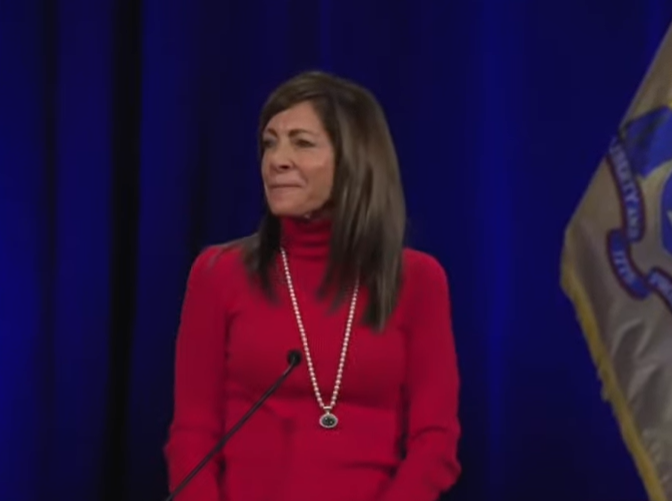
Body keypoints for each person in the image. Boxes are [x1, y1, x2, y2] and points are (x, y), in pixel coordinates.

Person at [164, 70, 461, 501]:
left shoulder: (419, 280)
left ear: (354, 160)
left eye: (301, 143)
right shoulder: (217, 273)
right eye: (270, 143)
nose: (276, 160)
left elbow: (435, 442)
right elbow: (193, 433)